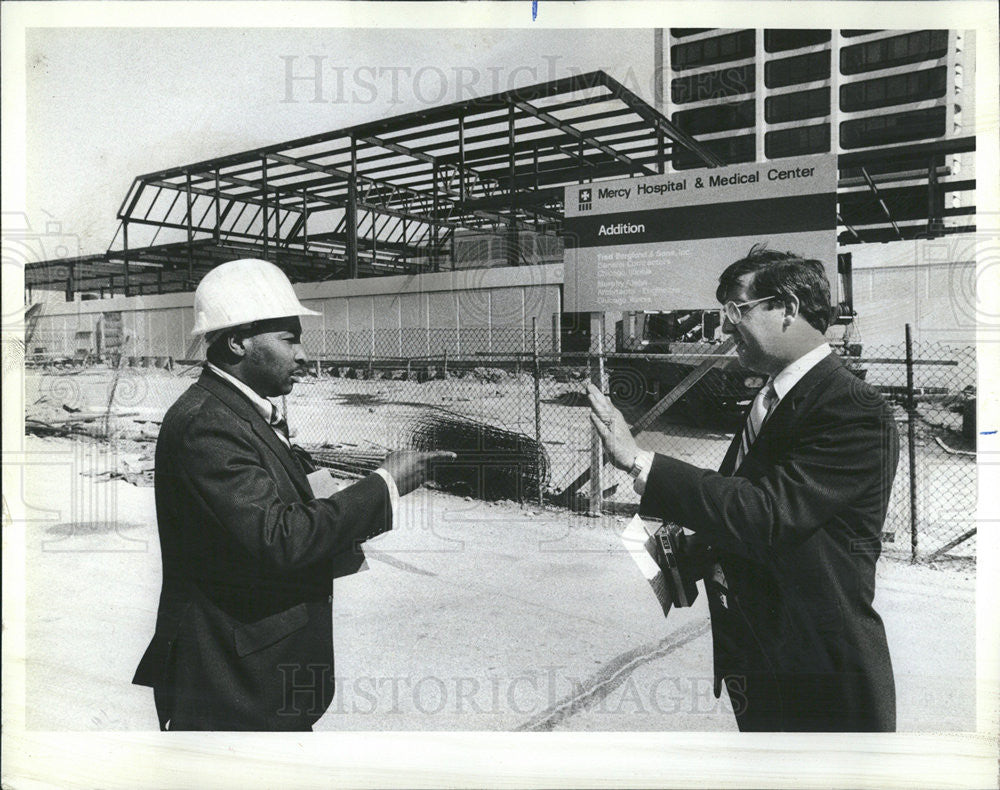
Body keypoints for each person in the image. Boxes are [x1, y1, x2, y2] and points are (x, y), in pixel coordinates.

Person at [132, 258, 453, 731]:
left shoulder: (242, 412)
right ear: (237, 340)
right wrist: (384, 486)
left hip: (260, 676)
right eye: (289, 337)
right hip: (233, 686)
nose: (303, 355)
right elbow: (280, 537)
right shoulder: (208, 424)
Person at [589, 244, 899, 732]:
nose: (725, 327)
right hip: (760, 660)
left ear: (789, 309)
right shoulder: (771, 394)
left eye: (737, 310)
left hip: (817, 672)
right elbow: (748, 511)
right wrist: (680, 552)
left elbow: (769, 514)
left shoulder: (854, 409)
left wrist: (639, 461)